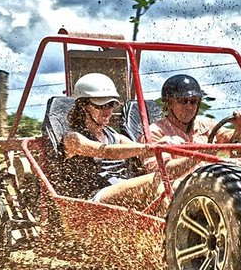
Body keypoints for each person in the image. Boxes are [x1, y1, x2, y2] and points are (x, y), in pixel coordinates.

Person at [62, 73, 170, 209]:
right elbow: (106, 151)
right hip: (92, 200)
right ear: (83, 106)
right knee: (154, 181)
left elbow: (142, 151)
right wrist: (149, 148)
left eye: (111, 104)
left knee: (175, 184)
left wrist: (164, 146)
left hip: (119, 189)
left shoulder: (112, 135)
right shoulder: (73, 138)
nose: (108, 111)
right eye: (101, 106)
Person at [142, 74, 241, 171]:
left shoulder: (205, 124)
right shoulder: (154, 133)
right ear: (170, 103)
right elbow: (161, 171)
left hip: (210, 181)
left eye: (193, 101)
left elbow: (229, 139)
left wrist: (240, 127)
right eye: (183, 101)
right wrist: (199, 156)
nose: (189, 107)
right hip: (178, 189)